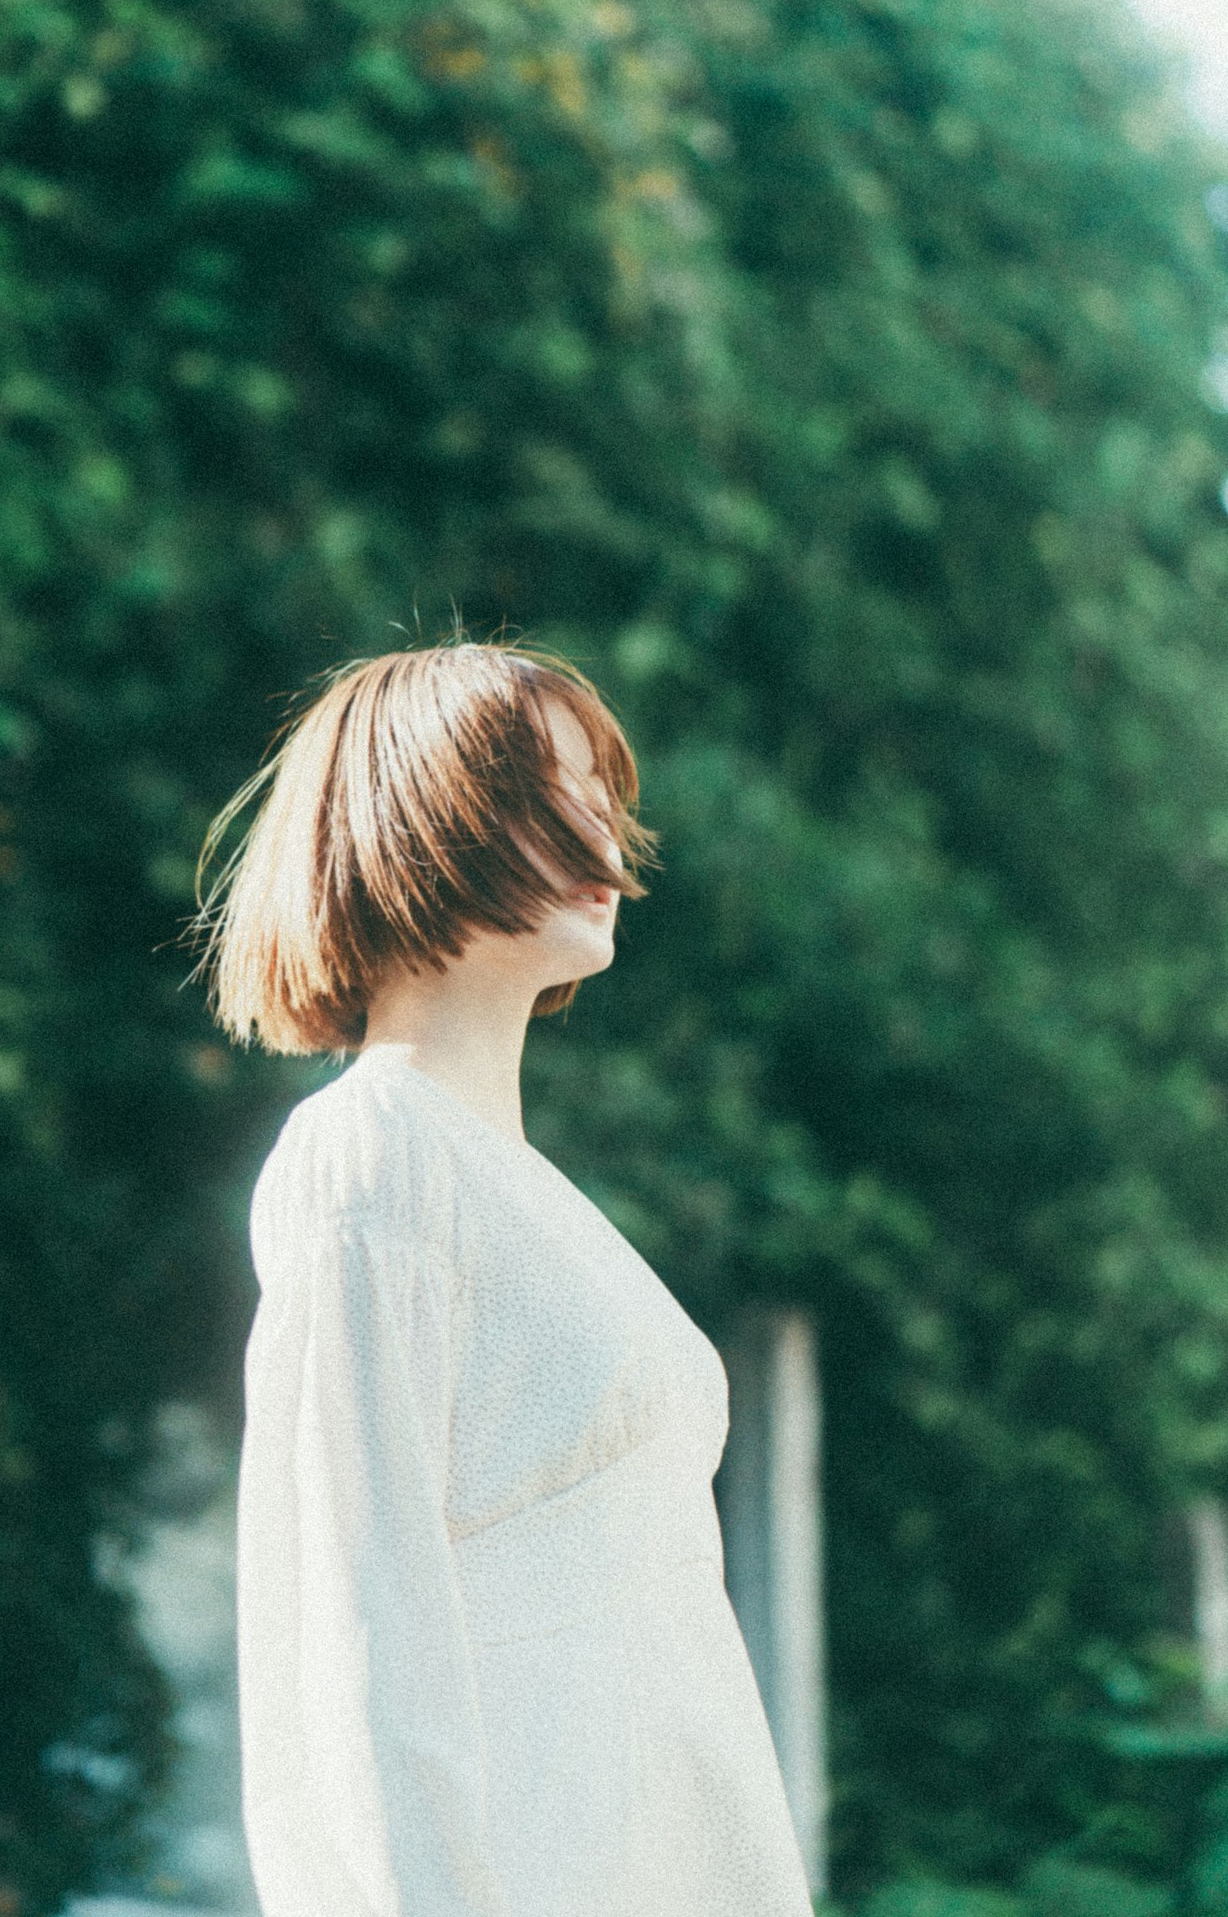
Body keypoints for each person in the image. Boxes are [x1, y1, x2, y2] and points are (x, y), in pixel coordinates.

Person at [189, 638, 815, 1917]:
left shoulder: (533, 1198)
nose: (602, 821)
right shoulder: (371, 1156)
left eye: (602, 788)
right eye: (550, 783)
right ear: (424, 816)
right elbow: (361, 1636)